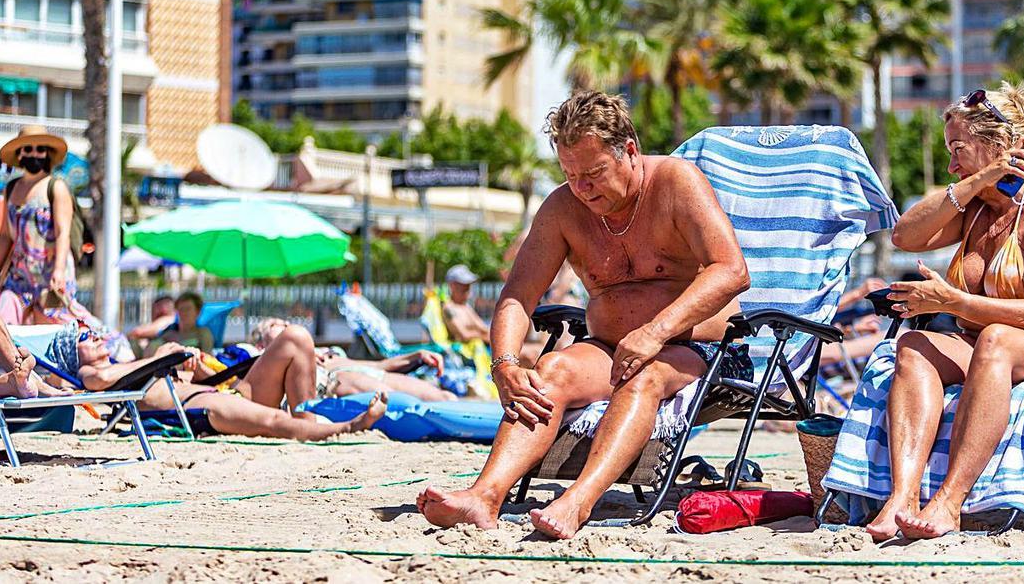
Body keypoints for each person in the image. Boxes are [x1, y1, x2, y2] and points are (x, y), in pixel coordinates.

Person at [418, 91, 750, 539]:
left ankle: (578, 500)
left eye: (594, 173)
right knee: (549, 372)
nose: (583, 188)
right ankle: (484, 497)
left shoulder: (675, 182)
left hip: (704, 351)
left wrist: (655, 332)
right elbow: (517, 296)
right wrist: (504, 365)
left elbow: (731, 271)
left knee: (645, 373)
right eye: (571, 175)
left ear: (629, 150)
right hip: (611, 349)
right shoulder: (563, 209)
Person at [866, 82, 1024, 541]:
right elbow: (904, 237)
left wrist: (951, 301)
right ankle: (902, 497)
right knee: (916, 345)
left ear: (1003, 145)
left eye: (958, 150)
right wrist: (975, 181)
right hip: (989, 344)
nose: (951, 164)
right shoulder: (978, 207)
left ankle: (950, 502)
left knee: (996, 339)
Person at [71, 326, 387, 440]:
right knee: (275, 421)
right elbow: (101, 380)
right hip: (201, 407)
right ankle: (349, 427)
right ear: (71, 354)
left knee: (296, 337)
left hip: (223, 392)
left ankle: (308, 422)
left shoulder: (126, 366)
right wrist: (161, 356)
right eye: (85, 336)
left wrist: (192, 363)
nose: (96, 336)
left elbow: (199, 379)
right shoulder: (92, 373)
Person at [0, 127, 129, 359]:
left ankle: (113, 347)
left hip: (51, 271)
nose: (34, 154)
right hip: (19, 275)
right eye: (28, 149)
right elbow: (5, 235)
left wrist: (59, 270)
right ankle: (4, 365)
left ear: (47, 154)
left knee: (61, 321)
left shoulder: (56, 187)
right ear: (19, 154)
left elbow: (63, 232)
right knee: (4, 317)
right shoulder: (12, 189)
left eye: (40, 149)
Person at [251, 317, 456, 403]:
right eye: (275, 325)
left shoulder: (324, 351)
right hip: (340, 380)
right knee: (407, 404)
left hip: (370, 373)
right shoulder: (262, 363)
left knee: (445, 398)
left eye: (286, 322)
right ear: (261, 345)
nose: (286, 324)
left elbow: (377, 365)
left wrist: (415, 356)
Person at [441, 264, 490, 345]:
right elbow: (463, 335)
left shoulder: (466, 307)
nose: (467, 287)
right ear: (452, 285)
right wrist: (480, 334)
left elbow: (484, 329)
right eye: (463, 284)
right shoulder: (448, 308)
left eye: (468, 284)